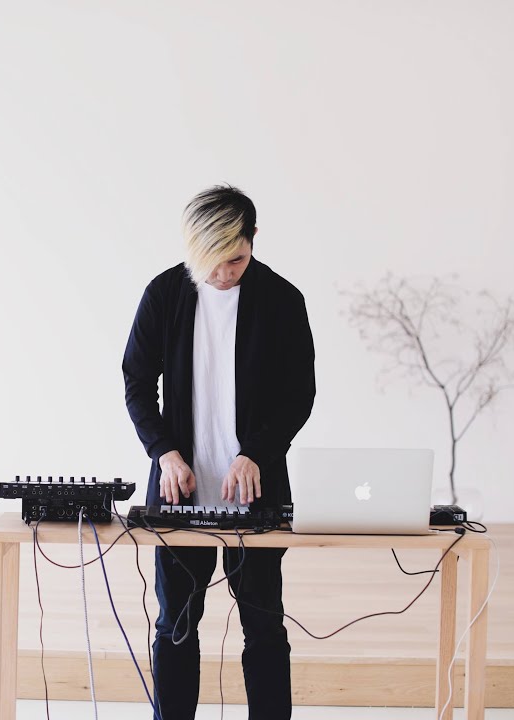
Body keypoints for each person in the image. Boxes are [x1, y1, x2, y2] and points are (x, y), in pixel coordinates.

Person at [122, 184, 316, 720]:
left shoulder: (282, 299)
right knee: (176, 625)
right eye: (213, 261)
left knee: (264, 624)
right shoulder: (164, 293)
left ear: (253, 240)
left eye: (237, 259)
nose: (225, 273)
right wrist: (164, 452)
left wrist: (255, 453)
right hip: (179, 493)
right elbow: (137, 382)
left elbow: (299, 394)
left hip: (256, 493)